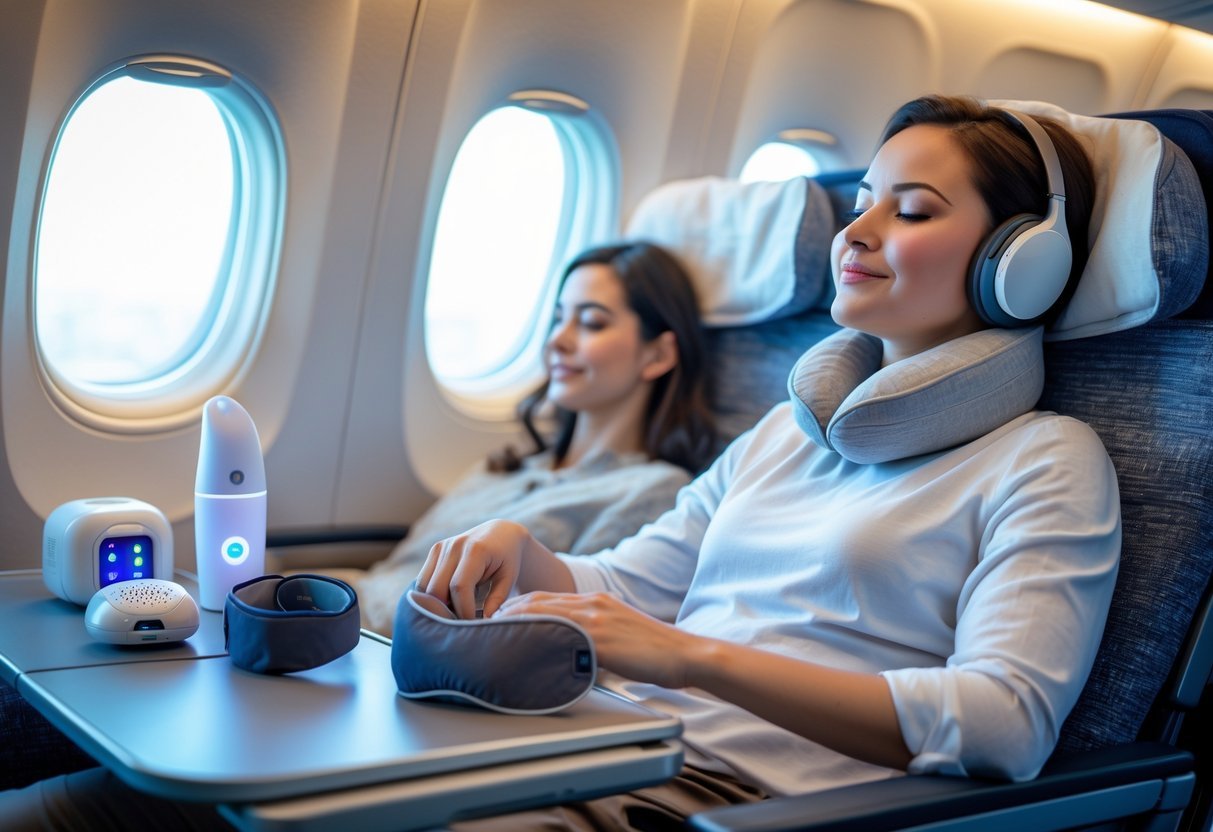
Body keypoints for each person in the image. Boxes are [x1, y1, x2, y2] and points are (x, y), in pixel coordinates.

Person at [0, 94, 1119, 831]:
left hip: (735, 796)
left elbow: (1003, 724)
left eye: (910, 208)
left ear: (1019, 264)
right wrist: (525, 551)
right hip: (601, 743)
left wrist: (693, 662)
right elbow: (634, 578)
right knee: (151, 802)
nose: (857, 228)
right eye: (861, 198)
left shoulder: (1044, 461)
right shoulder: (796, 427)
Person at [355, 240, 717, 635]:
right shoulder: (507, 466)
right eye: (558, 319)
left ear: (658, 355)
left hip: (386, 637)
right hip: (353, 613)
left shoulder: (654, 491)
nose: (557, 341)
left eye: (592, 323)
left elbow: (561, 625)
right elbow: (391, 572)